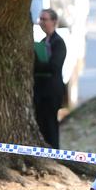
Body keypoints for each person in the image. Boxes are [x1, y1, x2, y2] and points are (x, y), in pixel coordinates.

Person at [33, 8, 66, 149]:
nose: (42, 22)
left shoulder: (58, 42)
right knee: (40, 123)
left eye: (45, 19)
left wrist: (37, 64)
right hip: (40, 90)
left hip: (52, 91)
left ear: (54, 21)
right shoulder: (41, 41)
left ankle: (54, 153)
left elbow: (55, 66)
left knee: (51, 124)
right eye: (40, 19)